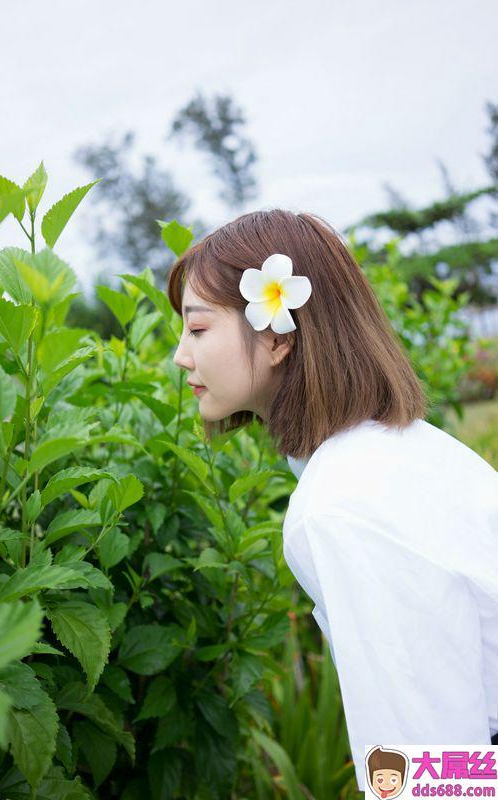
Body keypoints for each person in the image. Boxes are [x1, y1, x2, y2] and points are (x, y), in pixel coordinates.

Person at [168, 208, 498, 793]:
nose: (180, 357)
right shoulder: (402, 448)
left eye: (196, 329)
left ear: (275, 337)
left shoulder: (340, 505)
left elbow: (429, 771)